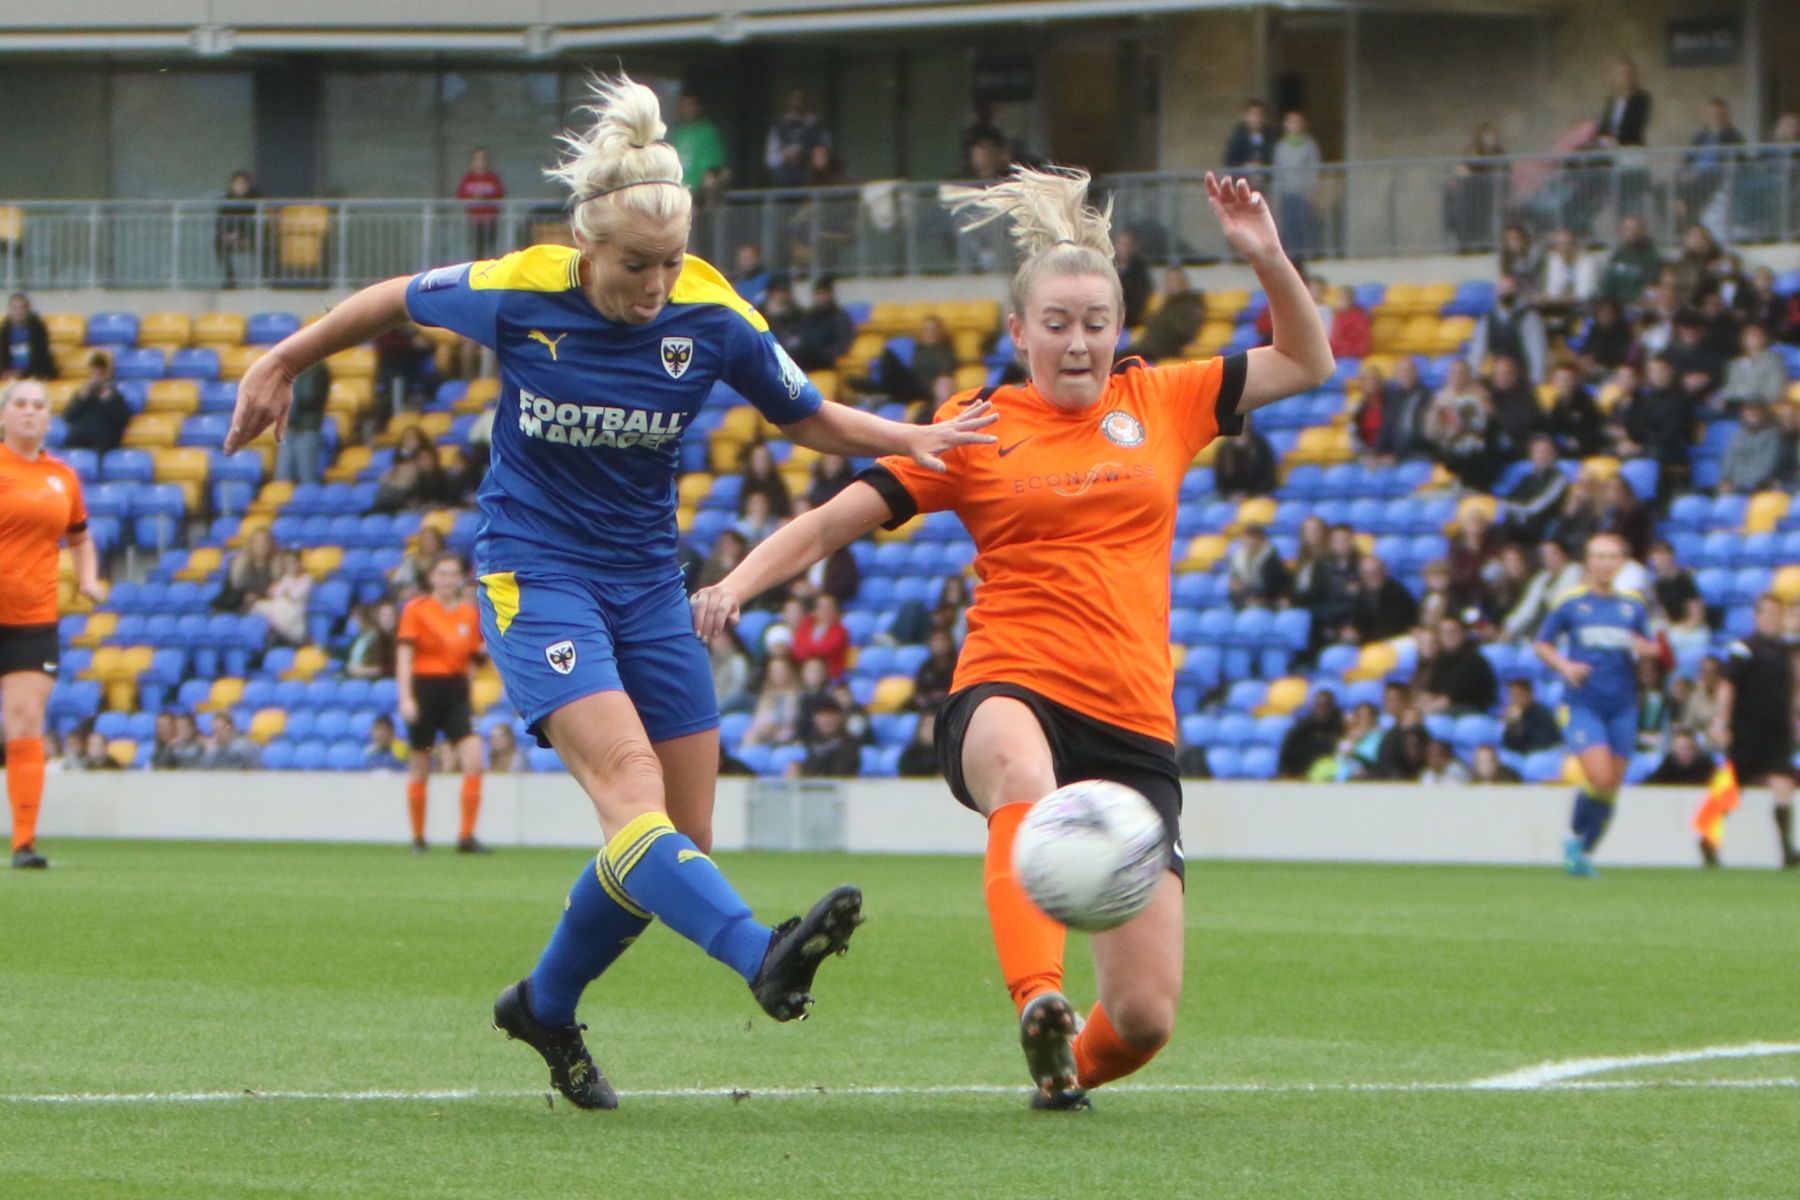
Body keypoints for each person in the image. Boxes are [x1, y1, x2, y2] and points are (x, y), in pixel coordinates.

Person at [223, 74, 995, 1112]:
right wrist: (282, 358)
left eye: (671, 262)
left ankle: (545, 1004)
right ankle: (760, 954)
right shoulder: (521, 287)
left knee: (676, 841)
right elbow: (392, 298)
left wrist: (913, 436)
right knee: (632, 794)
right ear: (587, 245)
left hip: (646, 583)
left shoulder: (710, 312)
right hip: (535, 572)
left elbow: (804, 417)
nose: (655, 283)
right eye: (637, 264)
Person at [693, 164, 1333, 1109]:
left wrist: (1269, 258)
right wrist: (736, 584)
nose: (1079, 342)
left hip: (1132, 725)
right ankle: (1040, 1000)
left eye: (1096, 324)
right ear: (1019, 331)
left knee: (1149, 1017)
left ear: (1119, 331)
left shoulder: (1165, 399)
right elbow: (833, 520)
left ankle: (1063, 1071)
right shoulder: (975, 428)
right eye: (1058, 323)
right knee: (1021, 778)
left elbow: (1308, 363)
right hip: (1010, 684)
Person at [0, 380, 101, 867]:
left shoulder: (63, 477)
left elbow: (80, 537)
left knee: (24, 722)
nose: (28, 411)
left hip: (31, 619)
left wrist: (89, 578)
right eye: (19, 403)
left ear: (48, 418)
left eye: (38, 405)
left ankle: (23, 842)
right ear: (2, 416)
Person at [1533, 533, 1658, 878]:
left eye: (1612, 557)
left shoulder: (1632, 605)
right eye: (1598, 557)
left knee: (1611, 786)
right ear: (1588, 562)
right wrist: (1565, 666)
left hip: (1623, 703)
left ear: (1621, 562)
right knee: (1600, 776)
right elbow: (1542, 644)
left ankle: (1584, 852)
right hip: (1583, 702)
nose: (1605, 563)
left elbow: (1650, 646)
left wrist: (1646, 648)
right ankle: (1572, 837)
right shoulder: (1570, 602)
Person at [396, 553, 488, 854]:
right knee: (420, 764)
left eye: (453, 574)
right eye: (442, 573)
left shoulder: (468, 614)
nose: (448, 579)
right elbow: (405, 654)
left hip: (456, 690)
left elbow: (472, 659)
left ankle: (466, 836)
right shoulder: (416, 609)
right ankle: (418, 838)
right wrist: (406, 697)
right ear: (432, 577)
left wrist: (471, 696)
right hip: (425, 687)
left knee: (474, 759)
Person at [1710, 595, 1798, 867]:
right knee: (1733, 788)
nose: (1774, 618)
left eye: (1778, 613)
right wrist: (1721, 721)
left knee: (1783, 783)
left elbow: (1793, 689)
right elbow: (1728, 686)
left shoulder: (1785, 652)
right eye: (1769, 613)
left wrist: (1795, 719)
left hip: (1777, 732)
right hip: (1747, 730)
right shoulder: (1743, 648)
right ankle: (1707, 838)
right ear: (1757, 616)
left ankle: (1786, 850)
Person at [1468, 275, 1547, 385]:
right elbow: (1476, 353)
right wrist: (1472, 378)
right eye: (1502, 291)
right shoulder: (1487, 319)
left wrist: (1536, 380)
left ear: (1516, 292)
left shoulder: (1529, 318)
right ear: (1495, 293)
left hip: (1522, 377)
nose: (1506, 294)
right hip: (1497, 376)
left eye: (1509, 291)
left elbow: (1537, 352)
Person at [1418, 615, 1497, 715]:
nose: (1448, 636)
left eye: (1452, 632)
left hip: (1471, 708)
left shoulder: (1473, 661)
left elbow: (1452, 698)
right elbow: (1431, 691)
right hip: (1448, 705)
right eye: (1443, 632)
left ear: (1462, 633)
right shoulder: (1440, 659)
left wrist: (1423, 712)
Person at [60, 351, 132, 455]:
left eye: (101, 373)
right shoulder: (83, 394)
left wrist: (106, 398)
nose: (97, 377)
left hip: (102, 444)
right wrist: (82, 397)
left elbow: (122, 420)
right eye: (94, 372)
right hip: (78, 440)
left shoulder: (116, 396)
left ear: (108, 374)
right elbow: (67, 416)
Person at [1129, 267, 1205, 362]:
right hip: (1148, 347)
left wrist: (1161, 322)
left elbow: (1186, 330)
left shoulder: (1192, 302)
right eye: (1170, 280)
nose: (1173, 283)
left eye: (1176, 280)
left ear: (1185, 282)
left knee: (1123, 358)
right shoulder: (1168, 302)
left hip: (1167, 348)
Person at [274, 361, 329, 485]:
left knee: (307, 475)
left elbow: (309, 396)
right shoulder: (291, 367)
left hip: (308, 427)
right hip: (290, 427)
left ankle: (307, 500)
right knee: (282, 476)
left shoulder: (317, 368)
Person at [765, 88, 830, 187]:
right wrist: (786, 154)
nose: (799, 102)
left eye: (802, 98)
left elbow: (824, 154)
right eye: (795, 98)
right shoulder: (779, 127)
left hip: (812, 179)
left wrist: (815, 156)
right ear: (788, 102)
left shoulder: (817, 126)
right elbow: (770, 160)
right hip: (784, 181)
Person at [1718, 401, 1785, 494]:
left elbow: (1767, 467)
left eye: (1757, 411)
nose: (1753, 414)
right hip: (1734, 488)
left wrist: (1740, 485)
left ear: (1764, 413)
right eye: (1749, 410)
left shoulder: (1772, 436)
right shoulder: (1737, 435)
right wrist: (1726, 480)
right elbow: (1728, 463)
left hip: (1758, 488)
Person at [669, 94, 728, 196]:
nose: (686, 109)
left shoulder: (707, 131)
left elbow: (712, 163)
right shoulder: (676, 133)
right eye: (683, 105)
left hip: (699, 193)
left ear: (698, 107)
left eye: (690, 105)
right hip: (677, 191)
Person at [1277, 690, 1343, 780]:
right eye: (1319, 705)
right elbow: (1286, 759)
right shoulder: (1299, 731)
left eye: (1326, 706)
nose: (1322, 710)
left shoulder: (1339, 729)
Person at [455, 148, 507, 260]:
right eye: (477, 159)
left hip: (490, 220)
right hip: (474, 220)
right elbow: (460, 195)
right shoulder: (468, 178)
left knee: (491, 250)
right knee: (476, 249)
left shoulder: (492, 178)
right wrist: (473, 196)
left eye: (483, 159)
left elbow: (500, 194)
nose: (480, 162)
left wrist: (486, 196)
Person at [254, 548, 312, 646]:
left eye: (293, 563)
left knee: (280, 604)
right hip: (282, 606)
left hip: (296, 610)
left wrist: (284, 592)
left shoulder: (307, 579)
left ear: (300, 563)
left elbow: (296, 596)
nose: (290, 566)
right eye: (287, 563)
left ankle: (286, 634)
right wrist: (284, 592)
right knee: (259, 605)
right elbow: (274, 593)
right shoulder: (287, 577)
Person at [791, 697, 860, 778]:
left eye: (830, 715)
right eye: (822, 716)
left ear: (840, 717)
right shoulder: (810, 741)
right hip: (810, 787)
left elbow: (843, 773)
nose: (826, 721)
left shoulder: (850, 743)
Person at [1212, 413, 1277, 498]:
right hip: (1230, 497)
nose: (1243, 422)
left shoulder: (1261, 445)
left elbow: (1267, 472)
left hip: (1259, 495)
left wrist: (1254, 494)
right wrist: (1229, 494)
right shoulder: (1224, 448)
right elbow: (1221, 477)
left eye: (1245, 418)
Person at [215, 171, 261, 289]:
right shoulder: (226, 200)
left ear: (247, 186)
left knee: (266, 244)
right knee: (219, 243)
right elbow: (219, 221)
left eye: (242, 184)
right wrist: (224, 234)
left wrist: (239, 234)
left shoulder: (253, 200)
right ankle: (230, 279)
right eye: (236, 184)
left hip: (250, 234)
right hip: (231, 235)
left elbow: (252, 222)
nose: (239, 187)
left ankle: (261, 279)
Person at [1500, 677, 1561, 755]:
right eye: (1513, 695)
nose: (1516, 699)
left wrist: (1520, 725)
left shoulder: (1542, 714)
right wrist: (1512, 726)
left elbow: (1543, 743)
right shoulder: (1510, 716)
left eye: (1519, 695)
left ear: (1530, 695)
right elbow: (1508, 746)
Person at [0, 294, 53, 381]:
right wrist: (6, 371)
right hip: (11, 373)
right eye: (14, 308)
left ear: (28, 309)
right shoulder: (5, 329)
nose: (18, 311)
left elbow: (41, 357)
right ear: (10, 311)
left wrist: (22, 373)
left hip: (35, 372)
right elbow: (2, 355)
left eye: (21, 308)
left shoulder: (37, 327)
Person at [1645, 728, 1715, 786]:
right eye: (1679, 749)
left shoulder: (1706, 767)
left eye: (1688, 748)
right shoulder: (1668, 767)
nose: (1684, 753)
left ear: (1695, 749)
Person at [1222, 99, 1273, 176]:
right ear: (1246, 116)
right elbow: (1229, 161)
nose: (1256, 119)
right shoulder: (1237, 138)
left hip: (1263, 182)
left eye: (1259, 115)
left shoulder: (1269, 138)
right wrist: (1246, 166)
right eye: (1252, 114)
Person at [196, 713, 262, 770]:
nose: (218, 733)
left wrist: (212, 750)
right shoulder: (215, 747)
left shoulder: (243, 745)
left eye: (221, 729)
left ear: (230, 727)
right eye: (215, 730)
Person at [897, 710, 938, 778]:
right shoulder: (910, 754)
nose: (930, 730)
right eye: (927, 726)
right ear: (920, 729)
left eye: (934, 725)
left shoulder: (947, 754)